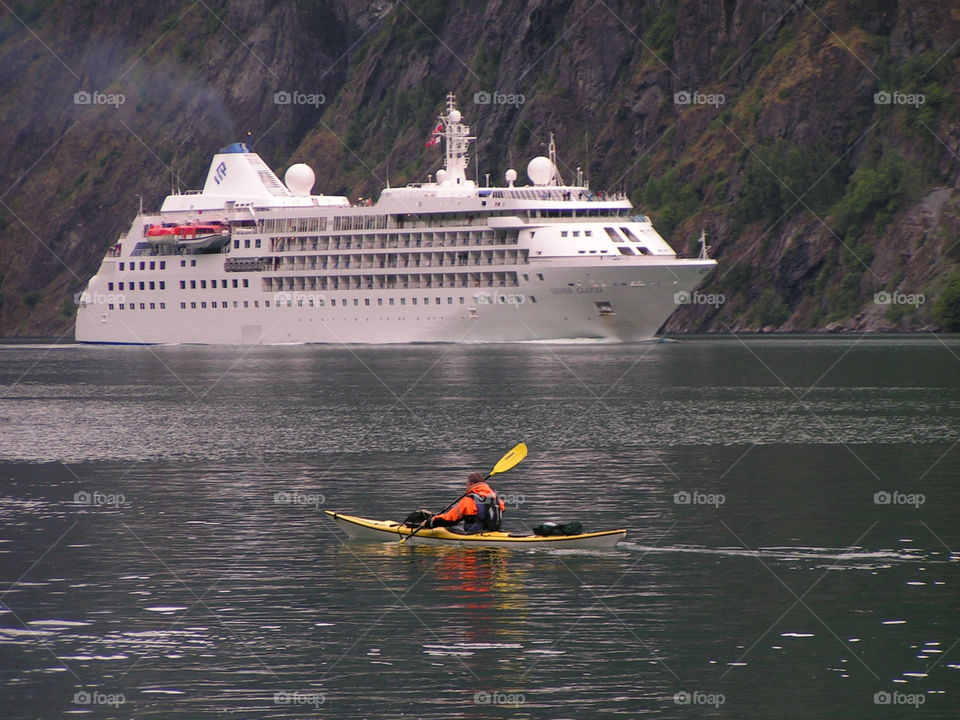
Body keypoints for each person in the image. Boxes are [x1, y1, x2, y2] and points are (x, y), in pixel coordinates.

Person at [421, 472, 505, 533]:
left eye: (467, 485)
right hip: (495, 532)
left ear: (471, 484)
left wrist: (430, 522)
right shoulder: (497, 499)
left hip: (473, 535)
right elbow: (499, 509)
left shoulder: (469, 500)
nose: (466, 488)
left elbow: (450, 519)